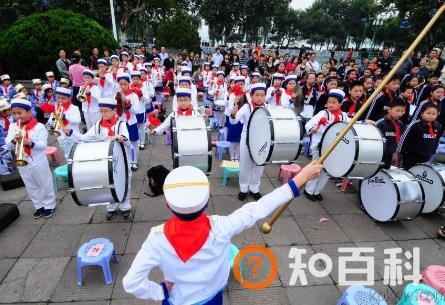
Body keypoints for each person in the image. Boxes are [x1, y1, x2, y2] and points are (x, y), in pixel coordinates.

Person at [122, 162, 322, 305]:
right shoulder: (222, 227)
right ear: (207, 203)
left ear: (167, 205)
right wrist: (302, 177)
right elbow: (259, 208)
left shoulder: (156, 239)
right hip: (213, 297)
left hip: (178, 300)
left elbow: (131, 283)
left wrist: (161, 290)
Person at [63, 97, 132, 220]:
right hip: (105, 161)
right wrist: (71, 133)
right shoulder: (97, 125)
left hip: (122, 160)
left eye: (106, 111)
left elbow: (127, 142)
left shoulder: (121, 124)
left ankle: (125, 206)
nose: (103, 113)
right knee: (108, 183)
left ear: (114, 111)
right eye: (101, 111)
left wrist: (122, 138)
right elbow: (84, 138)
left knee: (124, 181)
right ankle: (111, 207)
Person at [6, 98, 56, 218]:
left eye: (20, 113)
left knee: (44, 183)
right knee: (30, 185)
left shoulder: (39, 127)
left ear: (29, 112)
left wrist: (30, 143)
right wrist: (13, 140)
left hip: (38, 160)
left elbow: (43, 146)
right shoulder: (13, 127)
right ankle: (38, 205)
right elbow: (8, 145)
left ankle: (49, 205)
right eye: (14, 113)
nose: (17, 116)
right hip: (22, 161)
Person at [304, 89, 349, 201]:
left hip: (333, 147)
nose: (330, 104)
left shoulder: (344, 116)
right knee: (316, 168)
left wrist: (364, 122)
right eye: (329, 102)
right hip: (319, 146)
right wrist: (313, 129)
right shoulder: (323, 113)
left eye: (334, 102)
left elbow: (352, 123)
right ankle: (309, 190)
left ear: (340, 103)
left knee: (327, 169)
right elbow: (309, 124)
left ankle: (317, 191)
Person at [230, 83, 267, 201]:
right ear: (251, 96)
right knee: (245, 164)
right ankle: (243, 188)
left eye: (262, 95)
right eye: (257, 95)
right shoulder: (247, 107)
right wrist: (233, 113)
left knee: (259, 165)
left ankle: (254, 187)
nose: (260, 97)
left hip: (262, 139)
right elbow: (235, 121)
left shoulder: (267, 107)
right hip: (247, 139)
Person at [398, 103, 442, 169]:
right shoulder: (415, 125)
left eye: (434, 114)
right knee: (409, 172)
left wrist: (433, 151)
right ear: (422, 114)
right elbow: (404, 138)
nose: (431, 116)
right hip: (412, 156)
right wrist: (400, 152)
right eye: (428, 113)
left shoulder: (438, 126)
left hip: (427, 156)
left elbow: (437, 139)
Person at [116, 73, 143, 171]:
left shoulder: (134, 95)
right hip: (122, 122)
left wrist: (129, 107)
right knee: (124, 142)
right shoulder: (117, 94)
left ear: (128, 83)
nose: (123, 86)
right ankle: (127, 160)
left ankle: (134, 161)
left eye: (125, 84)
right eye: (121, 84)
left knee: (134, 142)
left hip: (131, 122)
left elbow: (137, 110)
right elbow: (115, 110)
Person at [48, 87, 81, 159]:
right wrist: (53, 118)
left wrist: (66, 117)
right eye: (58, 98)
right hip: (61, 135)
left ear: (69, 98)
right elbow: (50, 121)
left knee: (76, 152)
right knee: (66, 153)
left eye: (63, 98)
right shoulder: (55, 107)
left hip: (73, 134)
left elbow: (78, 120)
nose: (60, 100)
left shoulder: (74, 108)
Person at [376, 98, 406, 169]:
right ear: (389, 110)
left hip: (390, 155)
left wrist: (396, 153)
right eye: (397, 111)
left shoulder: (400, 124)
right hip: (379, 155)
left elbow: (400, 139)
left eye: (402, 111)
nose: (400, 113)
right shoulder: (380, 123)